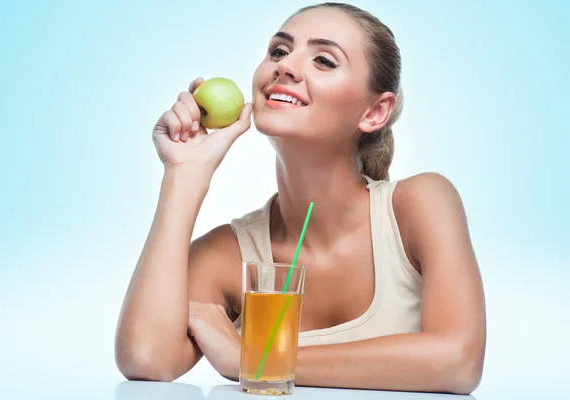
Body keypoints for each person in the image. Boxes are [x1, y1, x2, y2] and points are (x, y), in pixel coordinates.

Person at [114, 2, 486, 395]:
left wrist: (256, 359)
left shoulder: (421, 205)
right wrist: (182, 175)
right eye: (278, 50)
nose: (286, 66)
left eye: (324, 60)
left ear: (375, 111)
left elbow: (458, 361)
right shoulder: (228, 256)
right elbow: (146, 358)